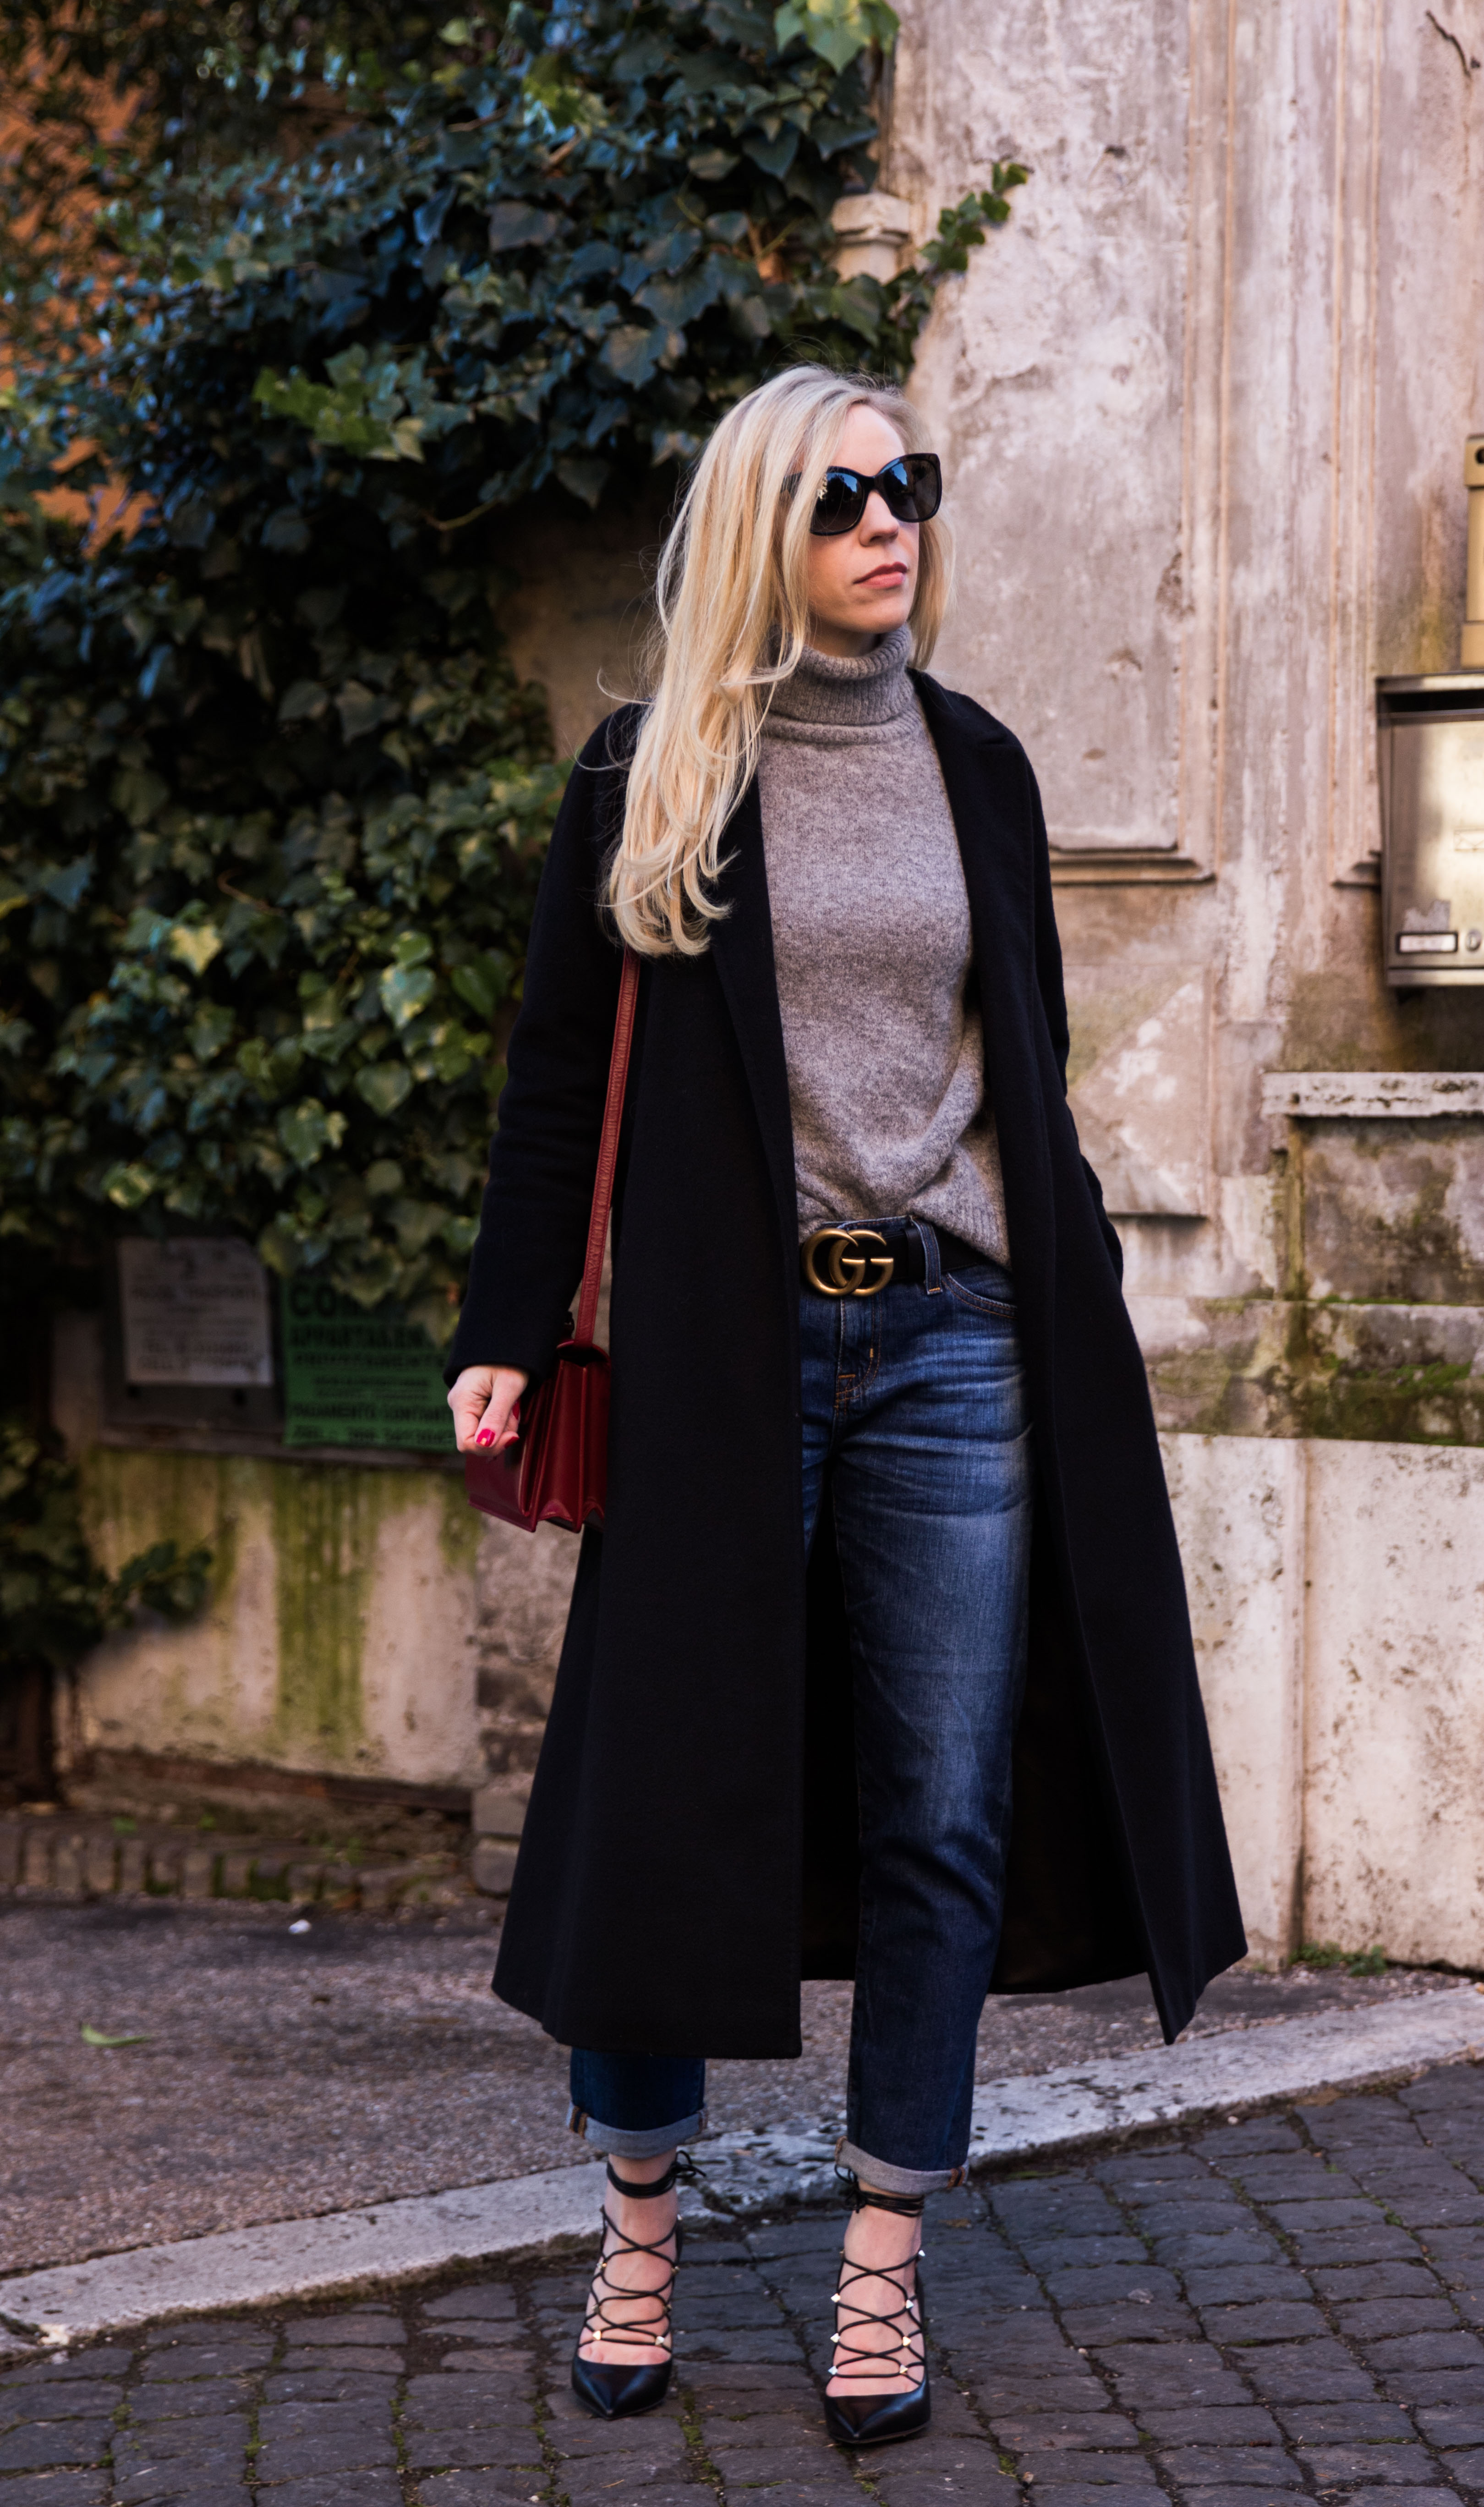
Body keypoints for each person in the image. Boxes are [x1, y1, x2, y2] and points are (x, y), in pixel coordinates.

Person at [447, 364, 1244, 2447]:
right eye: (843, 496)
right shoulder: (657, 775)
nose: (891, 520)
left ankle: (884, 2258)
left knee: (944, 1807)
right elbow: (555, 1079)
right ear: (758, 534)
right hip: (731, 1356)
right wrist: (508, 1323)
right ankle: (641, 2216)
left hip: (964, 1346)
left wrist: (1071, 1289)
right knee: (660, 1795)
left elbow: (1032, 1067)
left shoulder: (977, 764)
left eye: (912, 485)